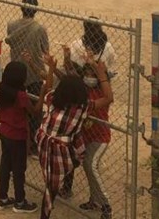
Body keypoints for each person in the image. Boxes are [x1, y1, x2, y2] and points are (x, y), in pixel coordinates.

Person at [34, 54, 110, 219]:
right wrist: (102, 73)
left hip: (43, 144)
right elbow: (108, 98)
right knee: (75, 152)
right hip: (62, 151)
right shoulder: (82, 108)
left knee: (51, 183)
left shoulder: (53, 99)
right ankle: (50, 204)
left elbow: (47, 87)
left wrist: (52, 68)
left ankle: (52, 198)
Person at [58, 21, 117, 215]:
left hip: (99, 137)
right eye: (88, 74)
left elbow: (110, 97)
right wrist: (66, 58)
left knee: (91, 166)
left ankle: (106, 204)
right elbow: (70, 73)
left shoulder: (100, 91)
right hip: (87, 135)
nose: (90, 77)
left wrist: (99, 72)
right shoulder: (83, 90)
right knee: (88, 166)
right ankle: (94, 200)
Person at [0, 61, 41, 212]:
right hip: (18, 136)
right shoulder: (20, 95)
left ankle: (3, 198)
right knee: (19, 170)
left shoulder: (1, 88)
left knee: (5, 166)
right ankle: (20, 202)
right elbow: (34, 112)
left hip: (4, 132)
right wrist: (43, 94)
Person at [5, 0, 49, 151]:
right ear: (36, 9)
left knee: (18, 105)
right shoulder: (40, 29)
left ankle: (20, 138)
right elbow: (45, 50)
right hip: (34, 71)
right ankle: (34, 142)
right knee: (36, 106)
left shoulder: (11, 25)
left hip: (16, 69)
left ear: (21, 7)